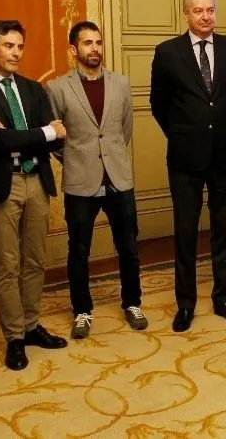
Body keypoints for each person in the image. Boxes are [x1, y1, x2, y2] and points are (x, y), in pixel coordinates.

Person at [0, 20, 68, 371]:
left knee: (35, 260)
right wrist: (43, 132)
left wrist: (38, 134)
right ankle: (14, 338)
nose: (16, 53)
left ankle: (32, 325)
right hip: (1, 185)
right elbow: (0, 141)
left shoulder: (34, 89)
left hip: (36, 180)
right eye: (8, 46)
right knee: (7, 265)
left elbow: (59, 134)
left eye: (20, 46)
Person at [150, 0, 226, 333]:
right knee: (186, 232)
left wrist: (215, 130)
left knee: (224, 230)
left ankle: (223, 297)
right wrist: (183, 133)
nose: (205, 16)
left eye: (210, 10)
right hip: (185, 158)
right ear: (185, 15)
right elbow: (158, 104)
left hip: (224, 154)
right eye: (198, 11)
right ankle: (186, 303)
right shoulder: (167, 53)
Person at [47, 21, 145, 339]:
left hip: (119, 179)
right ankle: (82, 311)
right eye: (88, 43)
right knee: (79, 250)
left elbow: (124, 130)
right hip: (80, 181)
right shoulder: (58, 89)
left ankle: (132, 302)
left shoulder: (121, 84)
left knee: (128, 247)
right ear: (74, 49)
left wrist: (109, 156)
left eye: (99, 42)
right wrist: (77, 159)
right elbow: (55, 140)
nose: (95, 49)